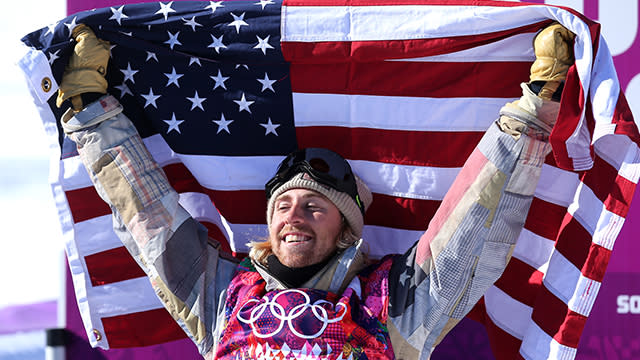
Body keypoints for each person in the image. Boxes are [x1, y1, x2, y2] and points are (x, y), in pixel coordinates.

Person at [56, 22, 575, 359]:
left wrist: (533, 110)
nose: (294, 215)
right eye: (282, 205)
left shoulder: (391, 304)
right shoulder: (220, 297)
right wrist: (90, 114)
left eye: (314, 206)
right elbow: (149, 217)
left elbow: (471, 228)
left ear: (348, 229)